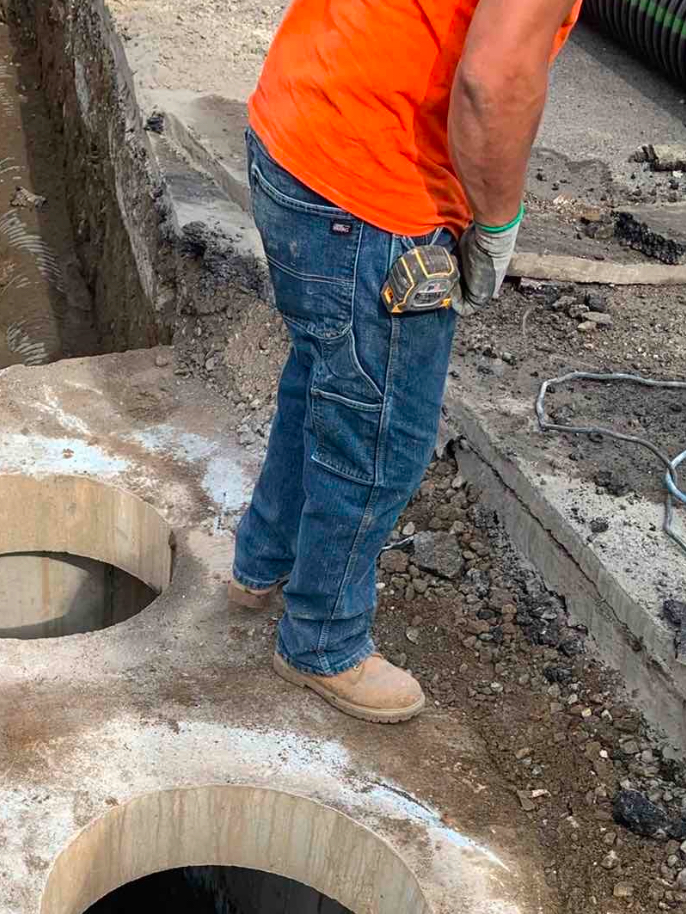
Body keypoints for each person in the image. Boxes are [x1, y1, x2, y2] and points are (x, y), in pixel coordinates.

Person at [233, 0, 582, 723]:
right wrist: (497, 223)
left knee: (326, 373)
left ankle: (262, 562)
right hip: (373, 191)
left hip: (298, 125)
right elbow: (493, 82)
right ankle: (322, 641)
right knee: (379, 430)